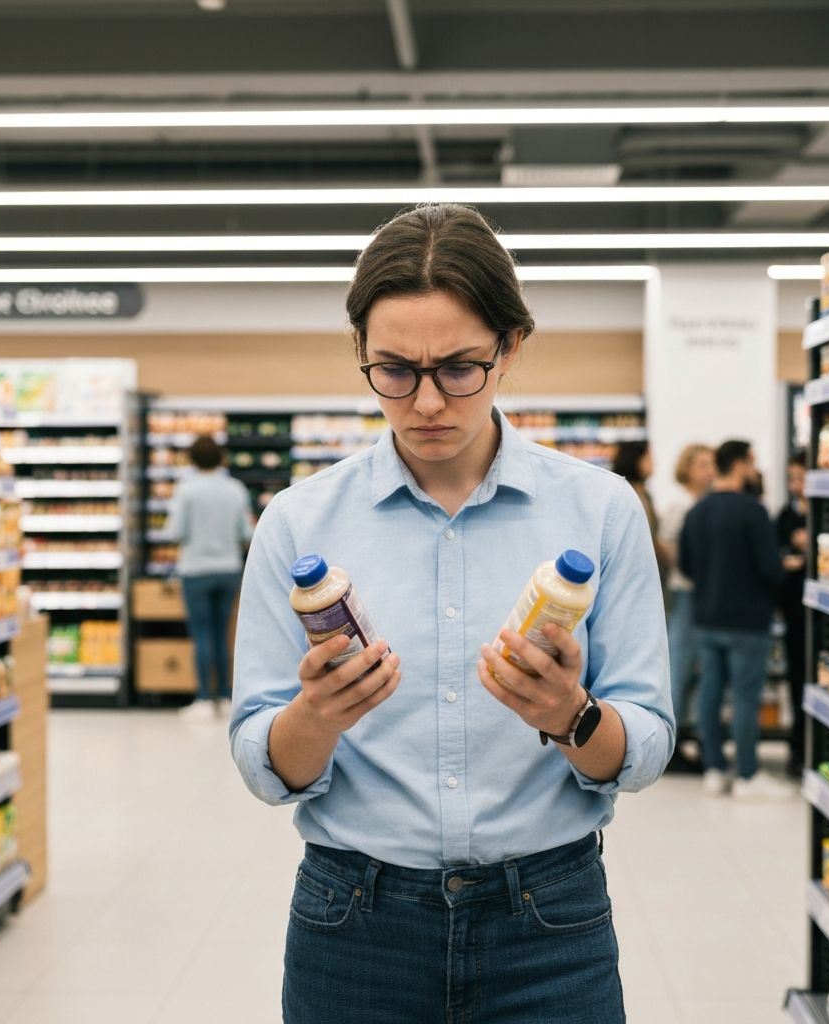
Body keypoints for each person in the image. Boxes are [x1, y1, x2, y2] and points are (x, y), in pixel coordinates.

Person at [230, 203, 673, 1024]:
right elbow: (263, 763)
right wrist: (317, 716)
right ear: (360, 353)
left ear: (510, 348)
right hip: (352, 923)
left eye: (460, 367)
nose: (427, 401)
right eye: (394, 369)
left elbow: (645, 746)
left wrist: (571, 716)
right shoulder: (297, 523)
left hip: (550, 922)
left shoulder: (602, 510)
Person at [678, 439, 791, 801]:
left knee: (710, 693)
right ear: (741, 464)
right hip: (747, 621)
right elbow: (770, 569)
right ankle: (746, 773)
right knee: (745, 697)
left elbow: (686, 565)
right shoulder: (753, 512)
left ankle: (713, 769)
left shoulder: (697, 511)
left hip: (707, 617)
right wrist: (786, 567)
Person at [165, 435, 254, 722]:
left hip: (196, 570)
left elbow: (175, 531)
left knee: (202, 634)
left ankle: (204, 699)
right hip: (228, 568)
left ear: (192, 459)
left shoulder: (186, 490)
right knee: (224, 635)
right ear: (221, 458)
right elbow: (246, 532)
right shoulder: (235, 489)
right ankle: (227, 698)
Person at [656, 443, 715, 772]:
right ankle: (671, 747)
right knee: (678, 667)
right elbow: (666, 545)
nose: (709, 470)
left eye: (712, 464)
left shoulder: (705, 502)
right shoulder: (679, 503)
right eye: (703, 464)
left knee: (698, 670)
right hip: (684, 592)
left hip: (701, 594)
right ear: (687, 468)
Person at [775, 452, 808, 777]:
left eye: (801, 477)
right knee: (797, 681)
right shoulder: (786, 515)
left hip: (822, 617)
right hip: (795, 612)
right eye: (792, 478)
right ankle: (798, 749)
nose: (796, 485)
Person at [612, 440, 669, 590]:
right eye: (648, 457)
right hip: (635, 576)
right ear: (635, 460)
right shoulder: (629, 495)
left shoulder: (644, 494)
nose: (653, 462)